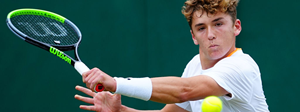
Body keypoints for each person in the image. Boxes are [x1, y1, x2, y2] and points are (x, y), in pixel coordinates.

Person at [75, 0, 269, 111]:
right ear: (193, 36)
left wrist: (117, 83)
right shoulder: (195, 66)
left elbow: (184, 90)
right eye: (201, 28)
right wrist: (120, 111)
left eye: (218, 24)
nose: (210, 35)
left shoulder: (241, 67)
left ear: (236, 27)